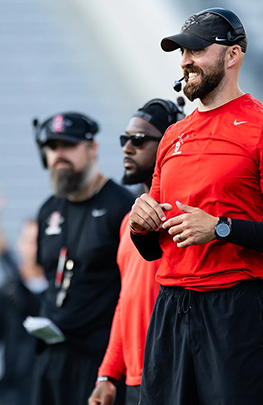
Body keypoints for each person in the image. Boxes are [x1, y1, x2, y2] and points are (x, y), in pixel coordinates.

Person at [129, 8, 263, 405]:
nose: (185, 60)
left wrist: (220, 228)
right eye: (182, 52)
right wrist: (140, 225)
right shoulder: (173, 136)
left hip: (236, 308)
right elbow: (153, 249)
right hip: (171, 306)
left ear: (232, 56)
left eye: (196, 50)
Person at [30, 112, 135, 405]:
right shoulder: (47, 210)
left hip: (99, 363)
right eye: (52, 148)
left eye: (68, 145)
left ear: (92, 148)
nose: (59, 155)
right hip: (51, 357)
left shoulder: (122, 207)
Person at [88, 98, 185, 405]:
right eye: (125, 139)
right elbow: (126, 301)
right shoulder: (130, 220)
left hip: (174, 375)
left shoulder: (185, 215)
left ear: (167, 145)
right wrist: (107, 374)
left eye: (139, 140)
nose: (127, 148)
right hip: (135, 380)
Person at [0, 184, 48, 405]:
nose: (34, 247)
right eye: (28, 240)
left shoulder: (60, 292)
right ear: (19, 245)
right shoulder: (5, 293)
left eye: (39, 240)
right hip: (12, 395)